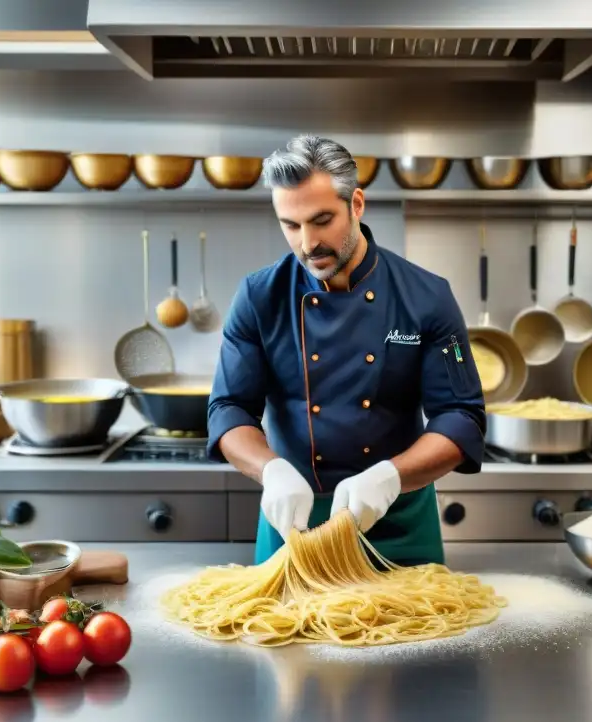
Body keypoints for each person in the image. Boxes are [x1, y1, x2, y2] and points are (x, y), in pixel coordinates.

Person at [207, 135, 486, 567]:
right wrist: (271, 471)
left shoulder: (428, 296)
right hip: (294, 528)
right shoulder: (259, 297)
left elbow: (462, 416)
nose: (307, 243)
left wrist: (391, 477)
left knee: (422, 632)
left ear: (356, 204)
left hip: (397, 517)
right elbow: (228, 409)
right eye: (291, 225)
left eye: (322, 220)